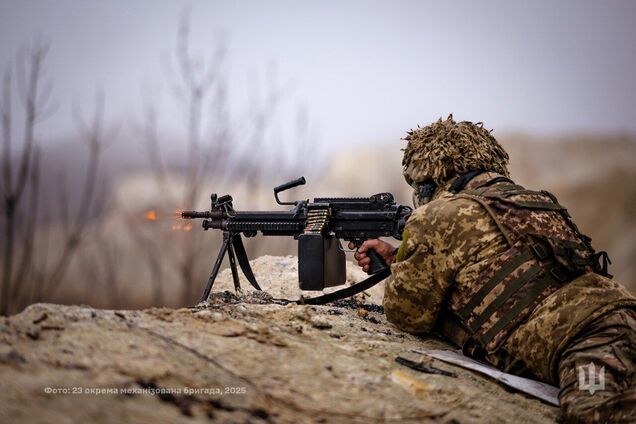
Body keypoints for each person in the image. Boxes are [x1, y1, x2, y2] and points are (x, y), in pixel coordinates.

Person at [350, 115, 636, 423]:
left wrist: (405, 266)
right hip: (619, 317)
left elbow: (407, 313)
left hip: (590, 341)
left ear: (427, 178)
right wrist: (404, 260)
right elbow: (506, 273)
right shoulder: (532, 201)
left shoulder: (441, 214)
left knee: (595, 414)